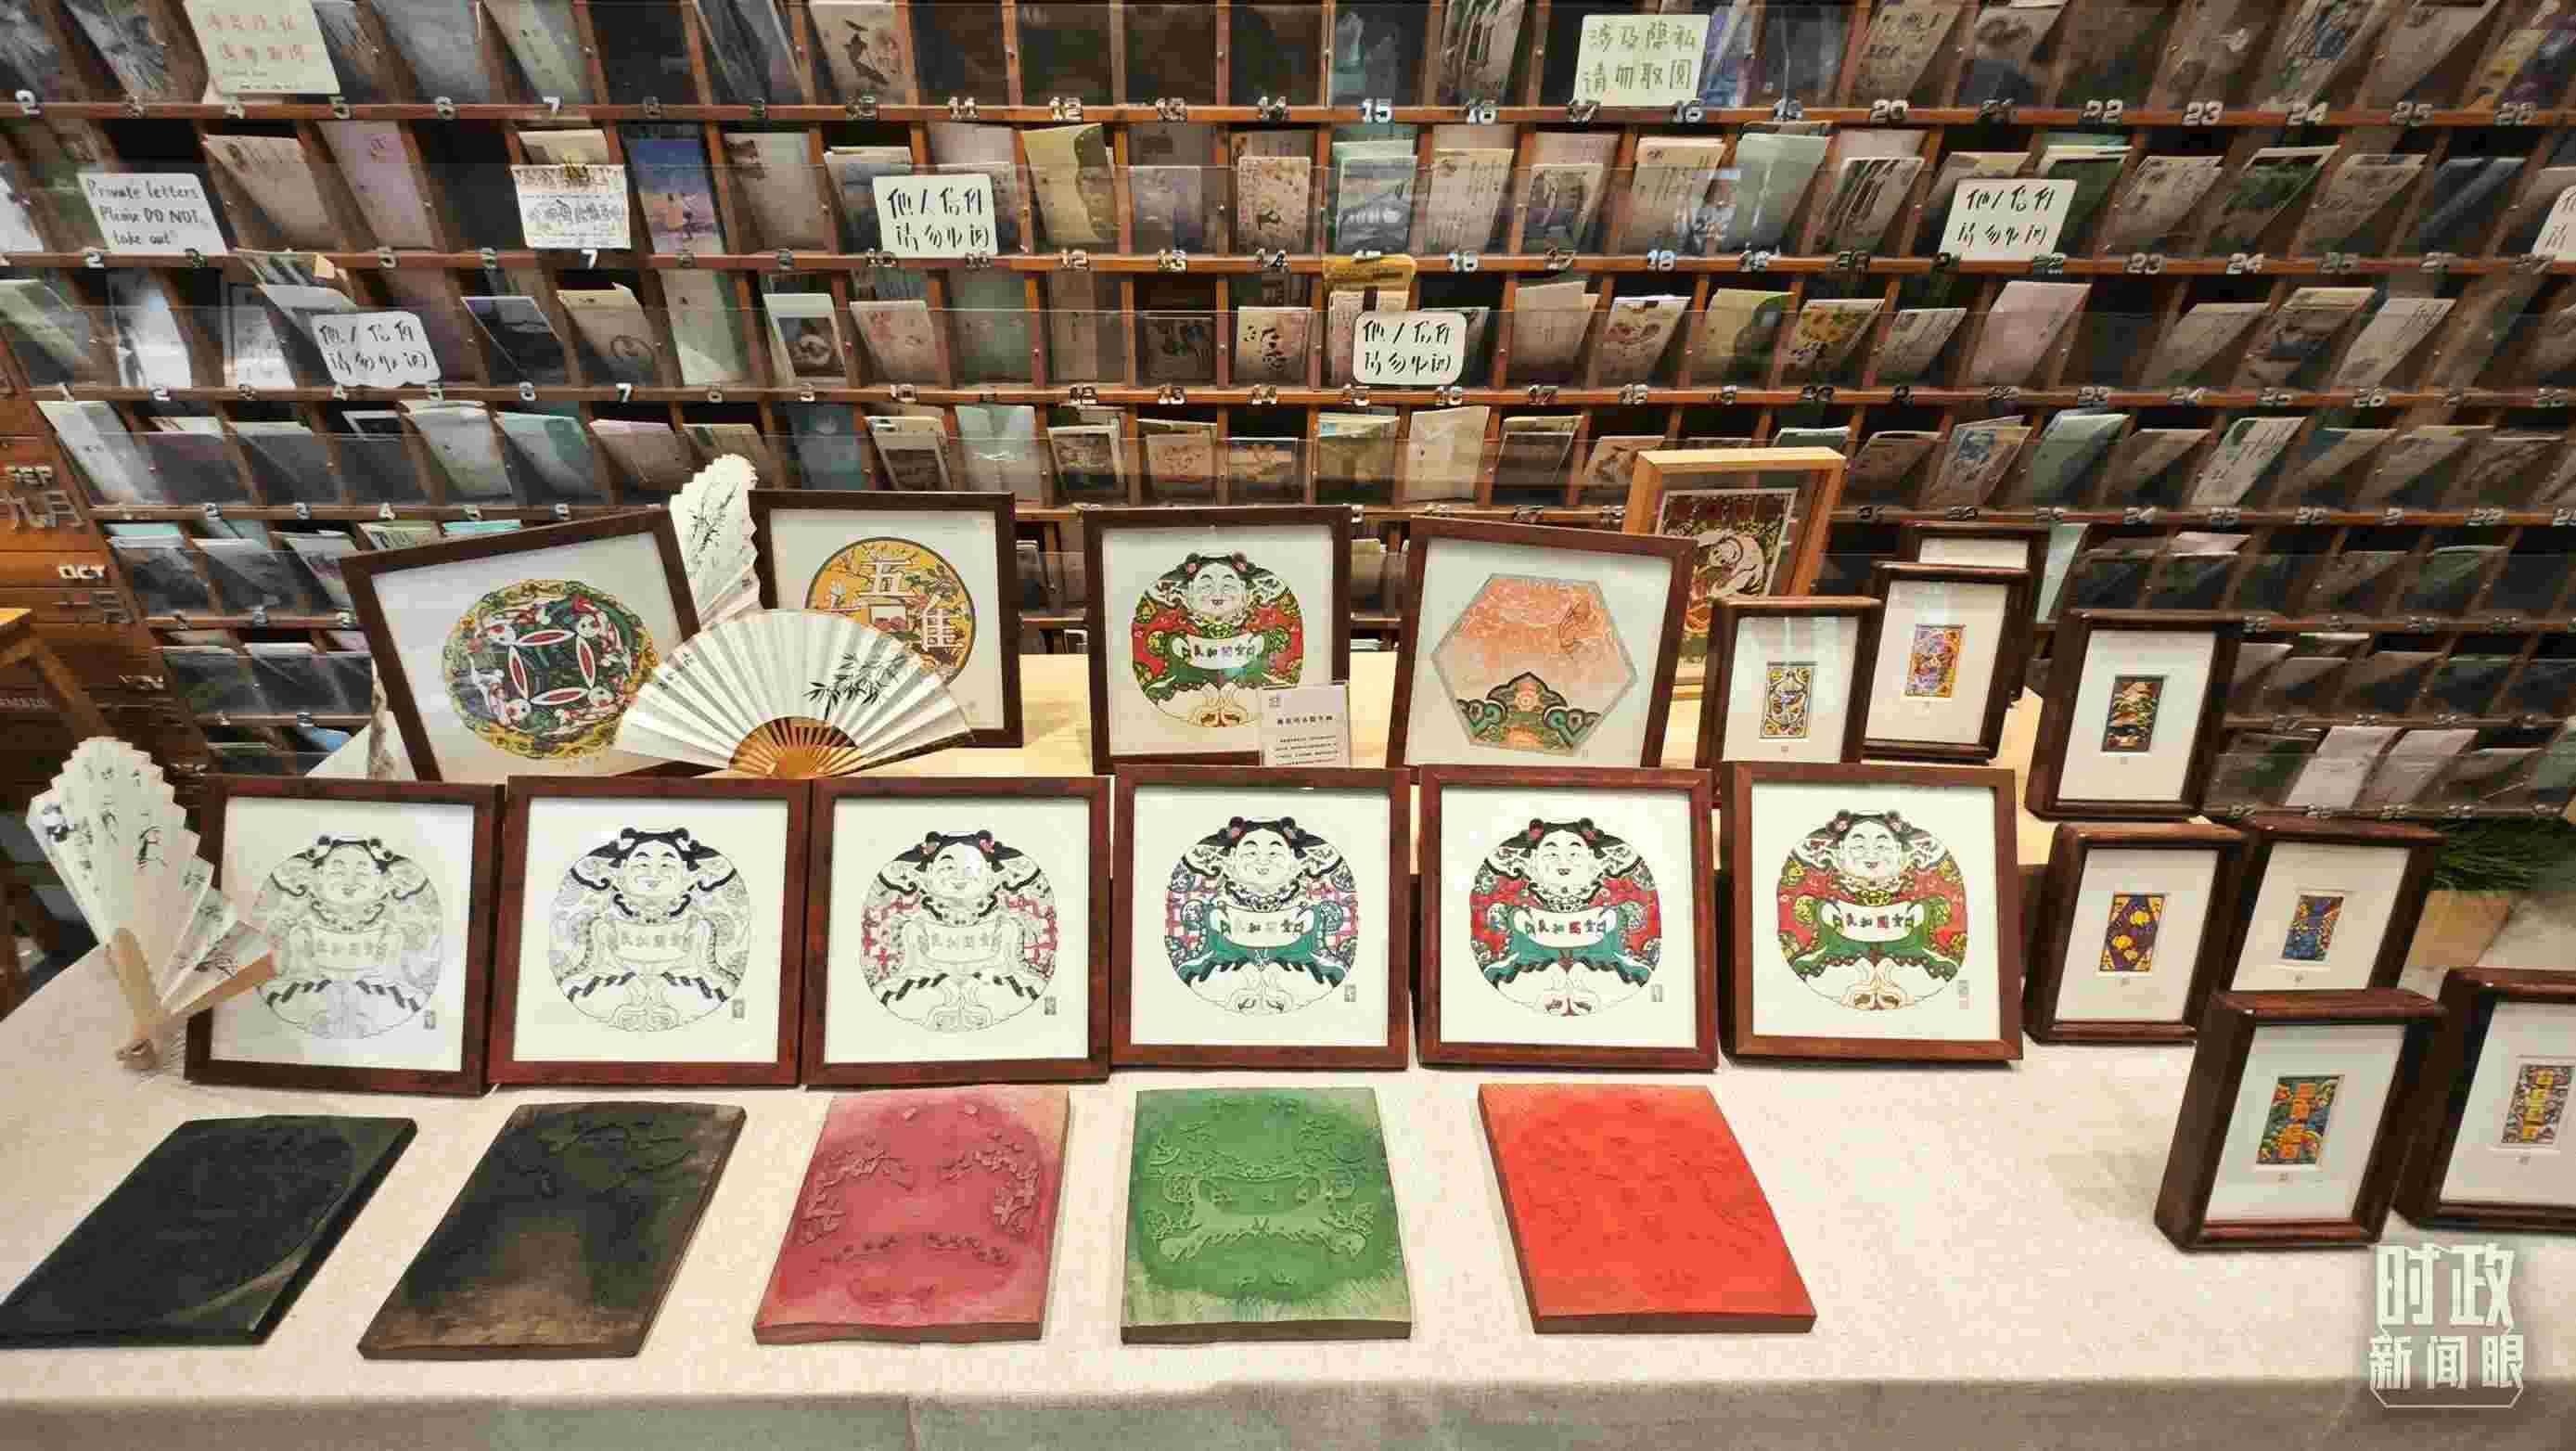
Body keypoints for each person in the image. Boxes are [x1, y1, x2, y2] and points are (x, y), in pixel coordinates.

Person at [551, 828, 748, 1032]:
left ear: (685, 875)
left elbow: (714, 980)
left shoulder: (699, 929)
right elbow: (586, 977)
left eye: (666, 865)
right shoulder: (602, 927)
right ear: (622, 872)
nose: (654, 874)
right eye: (642, 864)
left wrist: (666, 986)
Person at [252, 835, 441, 1038]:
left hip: (374, 994)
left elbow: (387, 975)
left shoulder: (389, 931)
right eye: (338, 872)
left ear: (379, 882)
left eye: (362, 873)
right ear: (318, 878)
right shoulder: (304, 927)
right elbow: (302, 972)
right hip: (314, 992)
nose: (350, 881)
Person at [1169, 816, 1352, 1015]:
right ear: (1232, 861)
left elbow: (1319, 960)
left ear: (1293, 862)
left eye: (1274, 853)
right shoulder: (1216, 909)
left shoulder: (1308, 910)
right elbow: (1205, 959)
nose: (1263, 860)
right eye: (1251, 852)